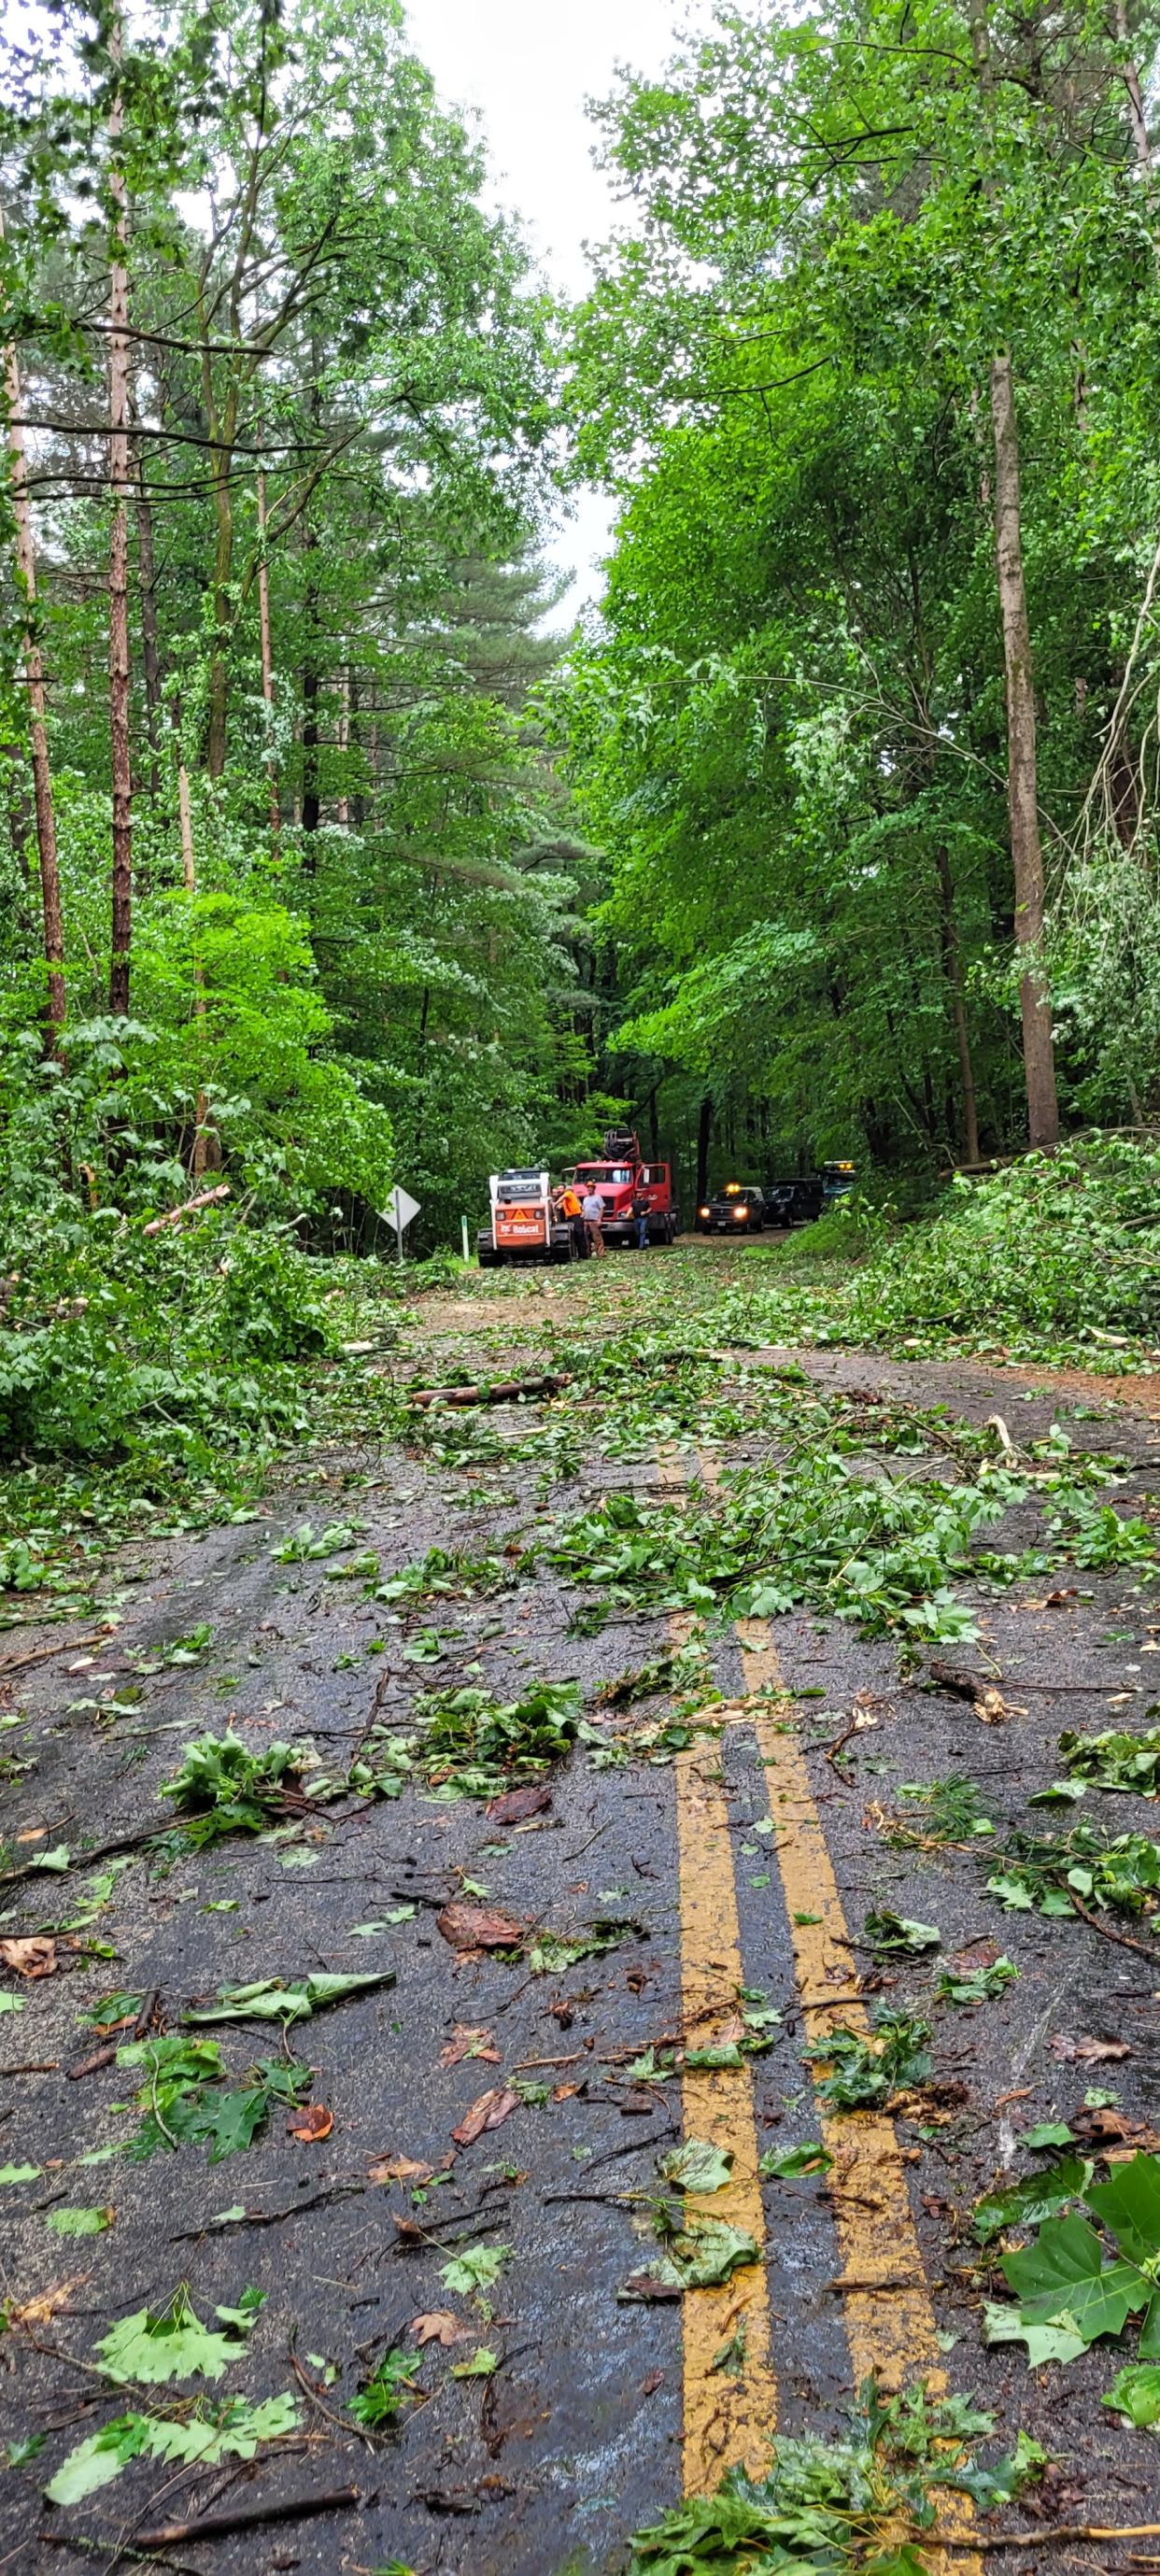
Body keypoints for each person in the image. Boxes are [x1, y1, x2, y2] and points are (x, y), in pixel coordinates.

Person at [559, 1181, 587, 1257]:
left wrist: (555, 1203)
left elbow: (563, 1198)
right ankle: (579, 1253)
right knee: (575, 1235)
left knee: (579, 1234)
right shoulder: (568, 1199)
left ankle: (583, 1254)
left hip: (575, 1216)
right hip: (571, 1217)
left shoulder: (569, 1193)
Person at [580, 1185, 606, 1256]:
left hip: (594, 1221)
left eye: (591, 1188)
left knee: (597, 1238)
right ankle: (588, 1254)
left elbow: (602, 1208)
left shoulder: (598, 1197)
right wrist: (582, 1215)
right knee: (586, 1239)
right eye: (588, 1188)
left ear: (594, 1189)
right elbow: (583, 1209)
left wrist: (599, 1219)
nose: (589, 1189)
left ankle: (601, 1254)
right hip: (586, 1221)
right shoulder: (586, 1198)